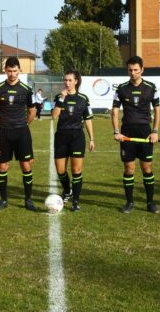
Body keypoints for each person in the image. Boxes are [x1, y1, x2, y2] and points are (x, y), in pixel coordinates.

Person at [111, 56, 160, 214]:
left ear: (142, 70)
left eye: (136, 70)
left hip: (145, 132)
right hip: (127, 133)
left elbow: (158, 110)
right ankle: (129, 202)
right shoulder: (121, 88)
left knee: (147, 168)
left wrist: (155, 131)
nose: (133, 73)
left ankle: (150, 203)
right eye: (130, 70)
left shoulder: (151, 87)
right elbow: (114, 111)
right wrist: (117, 131)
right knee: (129, 168)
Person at [0, 56, 37, 211]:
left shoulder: (26, 89)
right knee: (3, 166)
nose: (12, 74)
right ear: (5, 71)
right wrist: (2, 123)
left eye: (15, 71)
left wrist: (24, 124)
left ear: (19, 71)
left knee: (25, 165)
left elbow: (32, 111)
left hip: (21, 132)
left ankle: (28, 200)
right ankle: (3, 200)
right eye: (9, 71)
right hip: (3, 132)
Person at [52, 70, 95, 212]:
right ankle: (67, 191)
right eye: (65, 80)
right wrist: (61, 99)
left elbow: (88, 120)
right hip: (61, 136)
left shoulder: (83, 98)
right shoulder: (59, 97)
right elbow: (54, 116)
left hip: (77, 136)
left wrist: (91, 139)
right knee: (60, 170)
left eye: (70, 80)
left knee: (76, 170)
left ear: (76, 81)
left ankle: (75, 200)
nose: (67, 83)